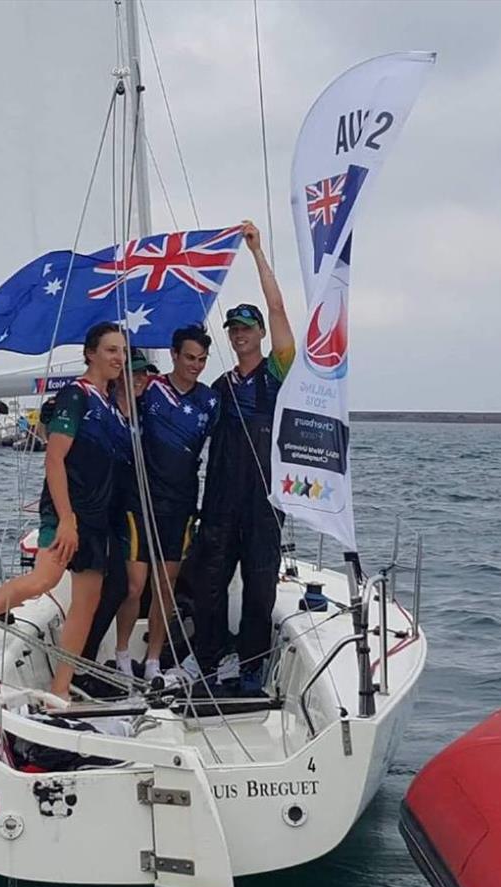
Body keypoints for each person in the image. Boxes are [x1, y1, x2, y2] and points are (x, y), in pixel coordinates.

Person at [0, 322, 128, 701]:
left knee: (86, 606)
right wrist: (67, 519)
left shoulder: (113, 405)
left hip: (98, 517)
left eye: (122, 351)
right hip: (67, 514)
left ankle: (61, 691)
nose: (119, 358)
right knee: (41, 581)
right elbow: (55, 460)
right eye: (111, 350)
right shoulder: (77, 396)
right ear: (90, 353)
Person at [193, 221, 295, 695]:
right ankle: (209, 661)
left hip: (263, 502)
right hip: (219, 500)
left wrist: (256, 253)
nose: (240, 335)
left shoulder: (276, 374)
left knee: (259, 588)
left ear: (259, 334)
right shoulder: (218, 388)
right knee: (209, 585)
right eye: (234, 329)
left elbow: (278, 308)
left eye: (247, 328)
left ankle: (252, 665)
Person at [113, 327, 219, 682]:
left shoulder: (210, 400)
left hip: (183, 504)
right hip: (140, 500)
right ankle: (123, 654)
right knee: (134, 585)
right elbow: (119, 403)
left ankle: (155, 660)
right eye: (189, 358)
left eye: (202, 360)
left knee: (165, 585)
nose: (196, 365)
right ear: (174, 355)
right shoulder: (151, 387)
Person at [80, 347, 151, 664]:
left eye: (142, 373)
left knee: (126, 588)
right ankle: (83, 659)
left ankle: (89, 658)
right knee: (108, 588)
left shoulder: (148, 412)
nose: (138, 379)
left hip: (131, 512)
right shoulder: (101, 407)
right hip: (98, 513)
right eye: (131, 372)